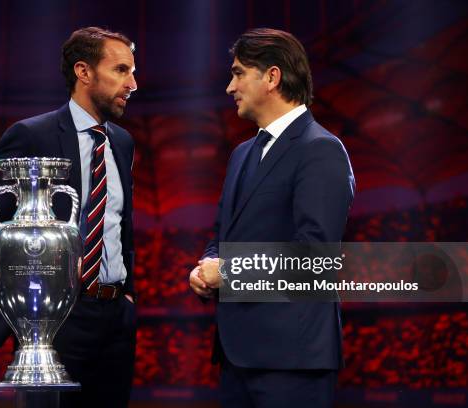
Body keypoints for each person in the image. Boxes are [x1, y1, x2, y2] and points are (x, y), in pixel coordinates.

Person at [0, 26, 138, 407]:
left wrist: (129, 298)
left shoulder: (122, 142)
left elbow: (120, 226)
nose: (133, 83)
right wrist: (27, 291)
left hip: (115, 319)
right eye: (121, 70)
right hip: (57, 321)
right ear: (83, 72)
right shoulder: (30, 134)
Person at [189, 28, 355, 408]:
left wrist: (228, 272)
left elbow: (315, 254)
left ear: (272, 77)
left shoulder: (321, 150)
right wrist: (205, 267)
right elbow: (222, 235)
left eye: (237, 73)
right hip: (236, 356)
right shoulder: (242, 154)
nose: (230, 87)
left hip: (292, 360)